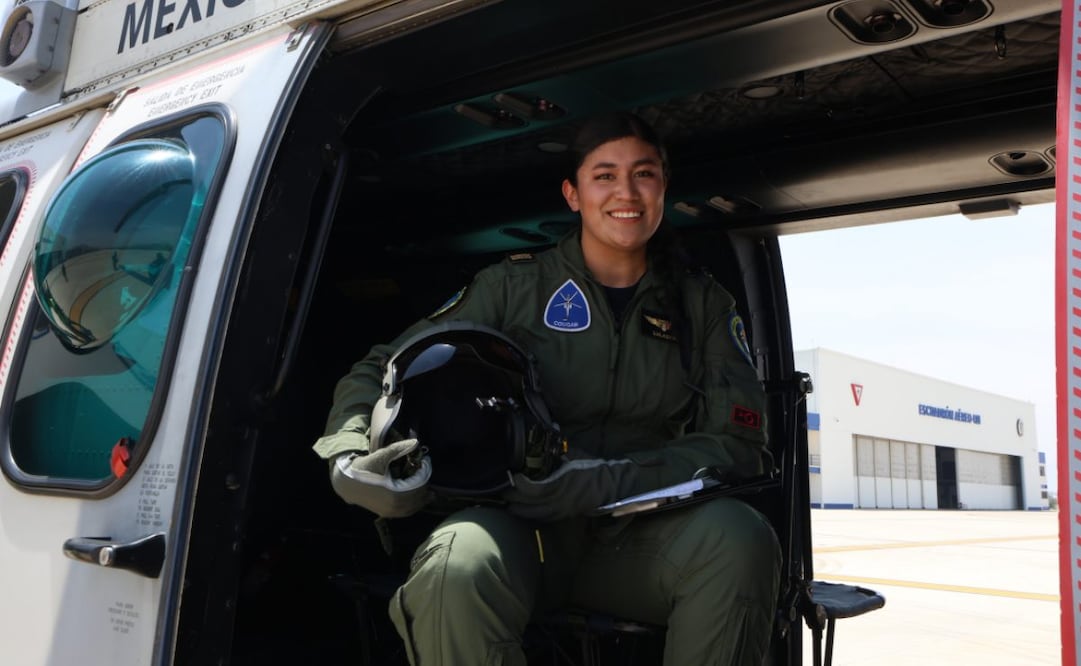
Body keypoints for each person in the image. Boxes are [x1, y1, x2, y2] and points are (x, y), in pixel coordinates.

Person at [312, 111, 782, 665]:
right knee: (456, 564)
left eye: (644, 174)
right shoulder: (514, 287)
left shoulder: (703, 305)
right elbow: (383, 367)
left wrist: (605, 479)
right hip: (524, 529)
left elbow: (739, 445)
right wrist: (348, 454)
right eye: (604, 175)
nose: (626, 192)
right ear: (573, 195)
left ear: (663, 188)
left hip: (640, 540)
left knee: (740, 539)